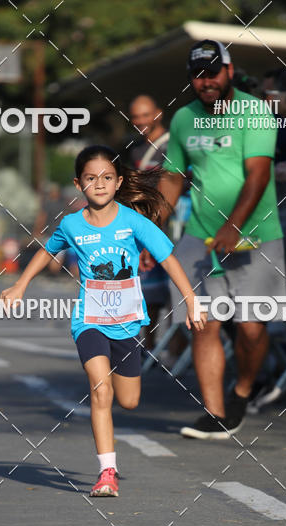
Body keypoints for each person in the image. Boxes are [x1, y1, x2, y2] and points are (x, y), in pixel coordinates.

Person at [0, 145, 206, 497]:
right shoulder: (72, 225)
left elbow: (169, 259)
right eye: (91, 178)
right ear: (78, 184)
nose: (100, 184)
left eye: (107, 178)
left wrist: (190, 299)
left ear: (119, 181)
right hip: (89, 320)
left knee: (129, 401)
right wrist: (20, 284)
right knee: (101, 389)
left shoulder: (132, 220)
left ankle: (110, 457)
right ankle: (106, 472)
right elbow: (49, 250)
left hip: (127, 323)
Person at [157, 39, 286, 439]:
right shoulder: (182, 120)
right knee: (204, 323)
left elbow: (259, 175)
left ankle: (243, 390)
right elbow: (173, 178)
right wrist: (152, 231)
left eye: (212, 72)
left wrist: (234, 225)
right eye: (198, 75)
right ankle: (214, 414)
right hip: (199, 236)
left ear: (229, 71)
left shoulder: (256, 112)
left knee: (250, 328)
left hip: (257, 236)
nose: (206, 81)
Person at [124, 94, 172, 353]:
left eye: (146, 115)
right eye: (136, 117)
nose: (141, 121)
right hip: (147, 229)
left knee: (177, 291)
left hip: (176, 228)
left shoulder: (174, 145)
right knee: (149, 293)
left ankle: (177, 352)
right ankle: (150, 349)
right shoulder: (137, 151)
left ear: (158, 113)